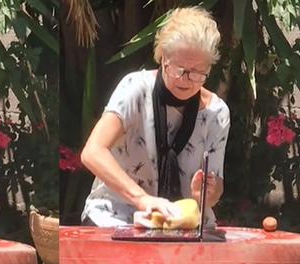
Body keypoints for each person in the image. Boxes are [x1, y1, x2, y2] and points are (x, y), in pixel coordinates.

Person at [80, 7, 230, 227]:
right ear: (163, 58)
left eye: (198, 72)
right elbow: (92, 152)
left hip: (183, 224)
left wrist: (207, 193)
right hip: (116, 217)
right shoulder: (135, 88)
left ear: (209, 68)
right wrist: (141, 199)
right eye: (179, 69)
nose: (186, 80)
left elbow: (213, 194)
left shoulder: (217, 113)